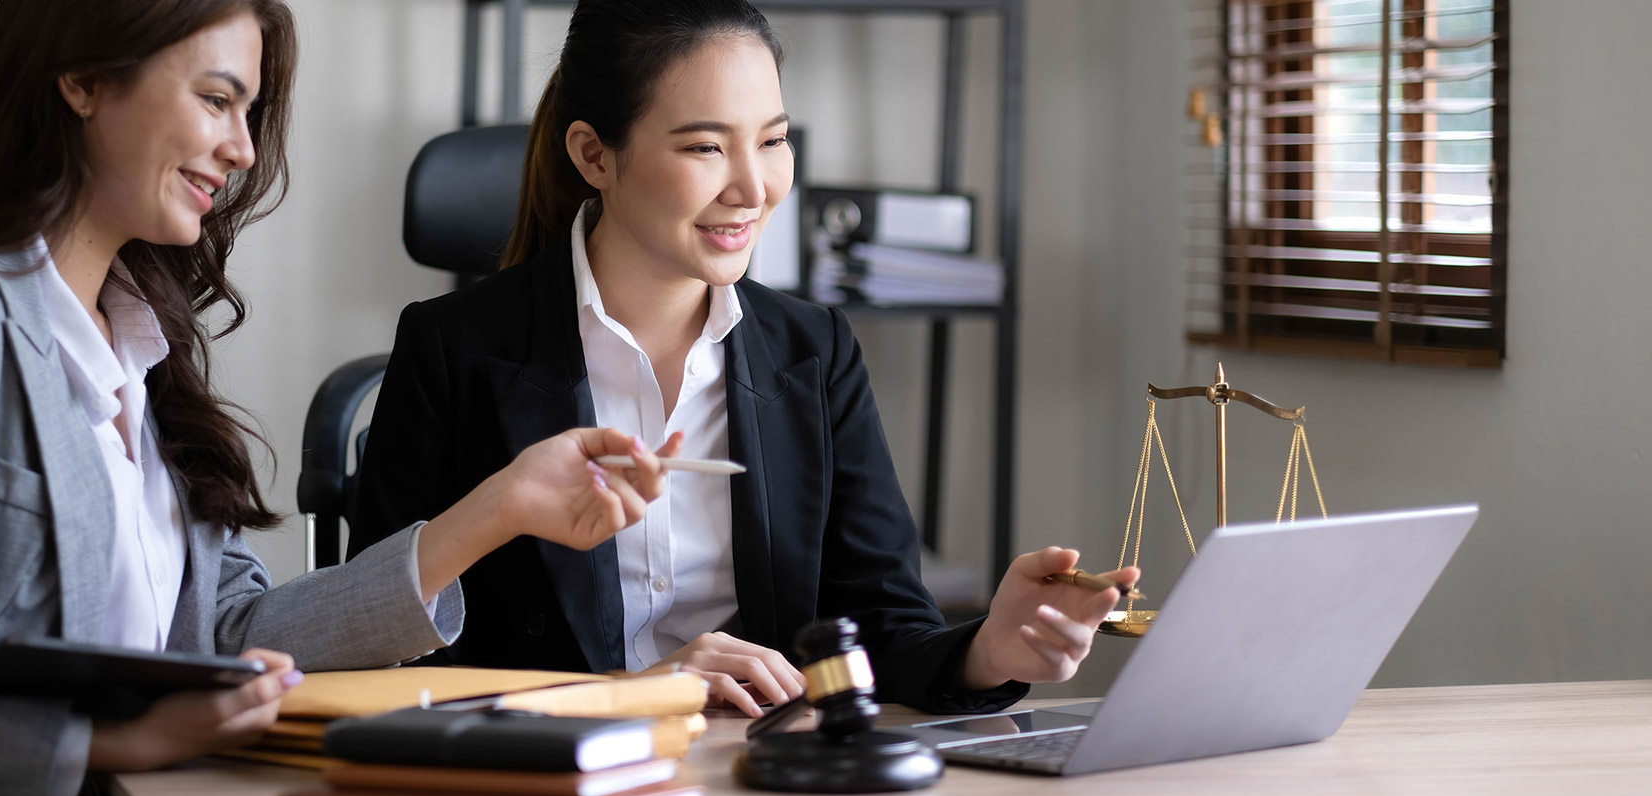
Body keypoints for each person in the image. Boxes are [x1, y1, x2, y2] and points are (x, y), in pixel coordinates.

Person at [0, 2, 666, 796]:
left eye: (248, 112)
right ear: (85, 81)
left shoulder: (144, 351)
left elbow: (231, 631)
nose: (242, 149)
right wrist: (102, 745)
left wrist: (498, 509)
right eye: (216, 99)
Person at [347, 0, 1139, 718]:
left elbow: (882, 628)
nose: (754, 188)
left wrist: (988, 650)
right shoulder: (453, 349)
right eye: (705, 146)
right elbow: (383, 654)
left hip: (760, 768)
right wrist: (629, 697)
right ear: (593, 155)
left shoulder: (815, 352)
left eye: (773, 141)